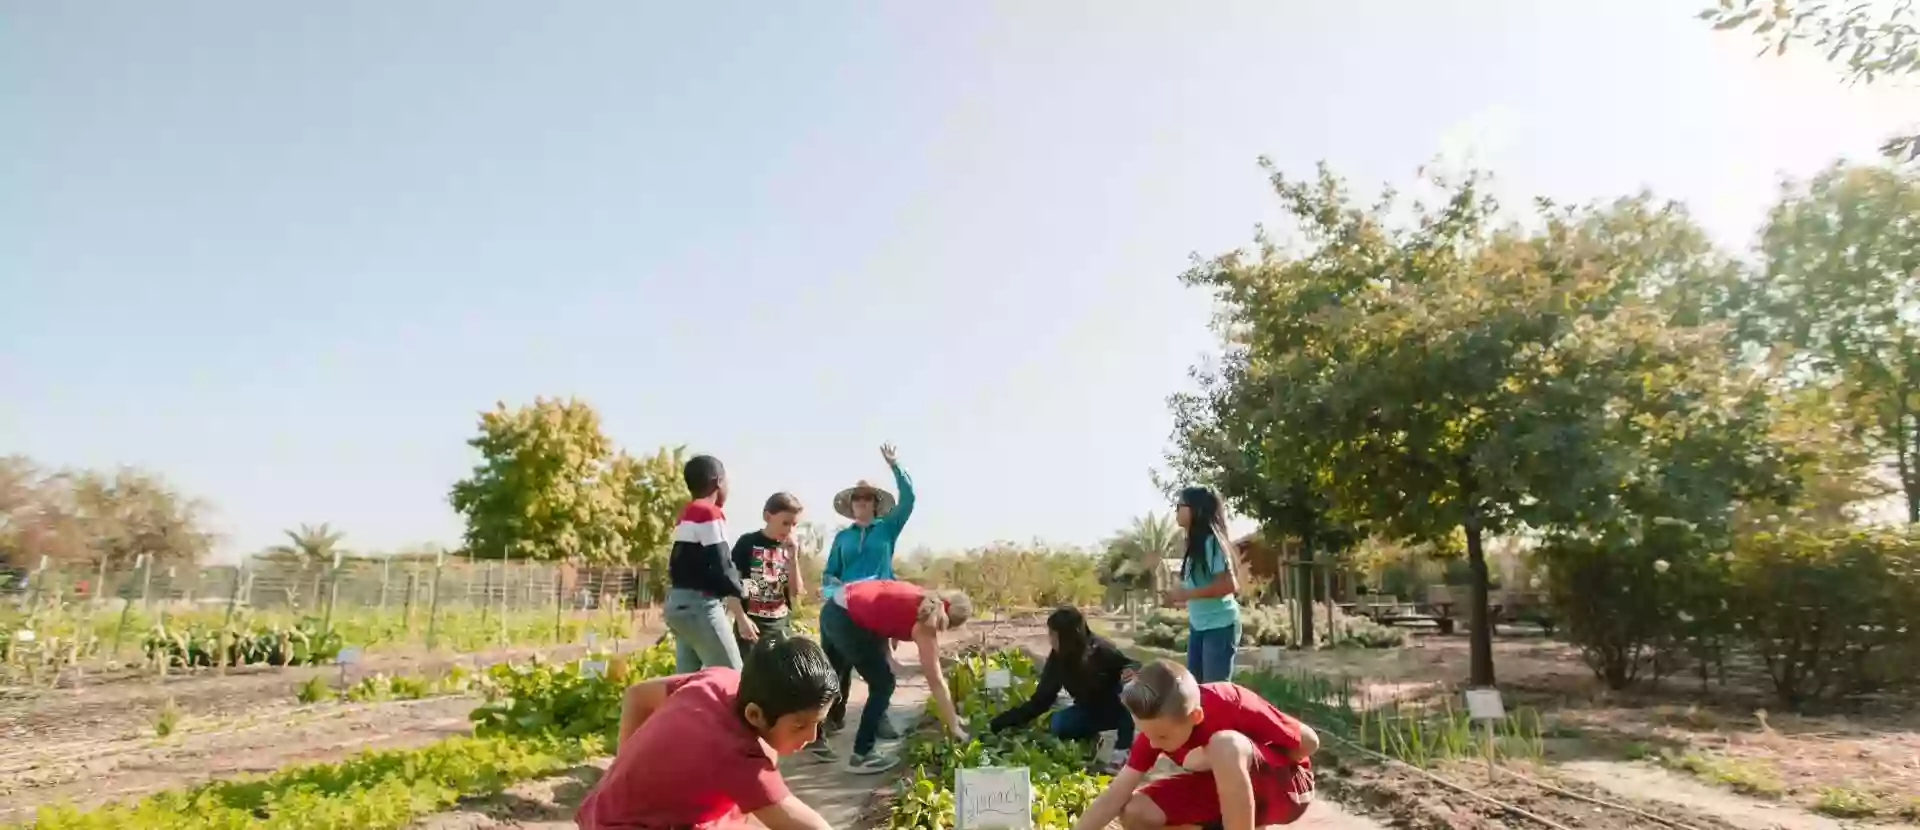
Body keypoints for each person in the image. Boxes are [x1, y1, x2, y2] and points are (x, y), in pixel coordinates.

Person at [575, 636, 841, 830]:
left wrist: (623, 770)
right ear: (754, 715)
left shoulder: (721, 680)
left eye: (818, 723)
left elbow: (637, 695)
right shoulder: (735, 755)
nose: (812, 736)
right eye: (800, 726)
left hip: (611, 809)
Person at [1070, 660, 1318, 830]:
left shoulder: (1229, 702)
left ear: (1195, 716)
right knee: (1135, 811)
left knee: (1225, 745)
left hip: (1287, 788)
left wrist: (1226, 758)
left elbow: (1309, 743)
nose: (1154, 743)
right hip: (1221, 792)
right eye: (1146, 733)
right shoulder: (1157, 728)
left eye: (1163, 737)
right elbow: (1115, 795)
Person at [820, 578, 970, 773]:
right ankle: (862, 755)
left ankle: (812, 738)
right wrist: (954, 724)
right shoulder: (926, 623)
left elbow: (882, 611)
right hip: (848, 620)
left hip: (833, 606)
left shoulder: (921, 596)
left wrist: (889, 658)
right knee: (883, 685)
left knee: (831, 678)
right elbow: (936, 680)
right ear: (950, 623)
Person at [819, 443, 917, 738]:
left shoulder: (887, 528)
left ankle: (879, 718)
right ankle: (832, 718)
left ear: (875, 503)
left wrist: (895, 465)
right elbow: (829, 573)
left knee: (877, 665)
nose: (861, 502)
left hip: (876, 605)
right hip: (842, 607)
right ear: (851, 505)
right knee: (835, 666)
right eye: (856, 498)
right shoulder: (842, 538)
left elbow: (909, 499)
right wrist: (830, 586)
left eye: (866, 498)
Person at [988, 607, 1140, 768]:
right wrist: (1000, 722)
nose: (1050, 639)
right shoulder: (1057, 660)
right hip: (1087, 709)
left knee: (1127, 695)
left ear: (1068, 636)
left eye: (1053, 634)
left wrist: (1131, 670)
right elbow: (1040, 701)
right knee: (1057, 724)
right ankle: (1092, 738)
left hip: (1116, 710)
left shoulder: (1101, 650)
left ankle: (1121, 750)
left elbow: (1132, 664)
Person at [664, 454, 758, 673]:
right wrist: (742, 590)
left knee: (686, 681)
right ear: (718, 482)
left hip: (678, 603)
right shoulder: (709, 513)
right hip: (700, 606)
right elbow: (721, 562)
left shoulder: (686, 513)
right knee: (732, 677)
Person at [1161, 486, 1242, 682]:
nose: (1176, 510)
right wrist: (1177, 598)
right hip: (1199, 626)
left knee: (1215, 693)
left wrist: (1187, 595)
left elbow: (1230, 586)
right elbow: (1198, 589)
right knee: (1195, 691)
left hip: (1220, 626)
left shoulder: (1212, 542)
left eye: (1180, 505)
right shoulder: (1193, 544)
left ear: (1195, 509)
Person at [732, 492, 807, 653]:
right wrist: (740, 619)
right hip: (751, 627)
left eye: (794, 525)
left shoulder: (790, 549)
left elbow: (796, 592)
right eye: (785, 523)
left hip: (780, 628)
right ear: (767, 517)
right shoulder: (747, 543)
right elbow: (729, 586)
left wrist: (793, 558)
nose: (789, 529)